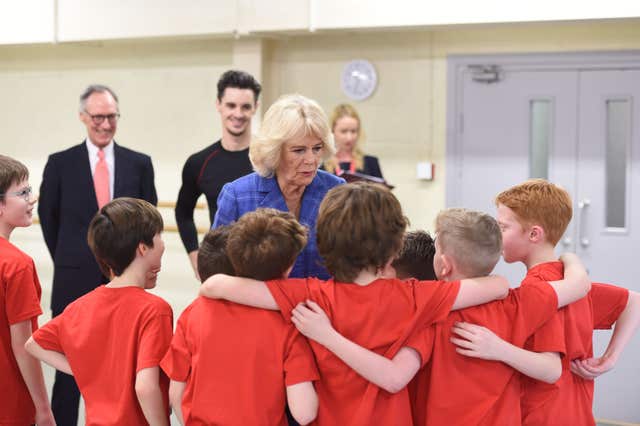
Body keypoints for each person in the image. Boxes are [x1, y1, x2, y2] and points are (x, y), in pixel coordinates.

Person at [200, 182, 510, 425]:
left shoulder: (309, 296)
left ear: (325, 242)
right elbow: (498, 285)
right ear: (393, 247)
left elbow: (214, 286)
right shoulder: (417, 297)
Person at [291, 207, 589, 426]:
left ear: (443, 265)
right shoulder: (518, 301)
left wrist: (326, 334)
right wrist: (569, 256)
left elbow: (393, 377)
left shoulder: (428, 313)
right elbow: (578, 285)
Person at [37, 84, 158, 425]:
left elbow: (149, 221)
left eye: (111, 117)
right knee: (69, 373)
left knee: (126, 368)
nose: (105, 124)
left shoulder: (139, 163)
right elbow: (50, 218)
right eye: (98, 117)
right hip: (73, 277)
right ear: (83, 117)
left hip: (126, 283)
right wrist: (72, 257)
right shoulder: (60, 163)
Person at [494, 179, 640, 426]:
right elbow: (633, 301)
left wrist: (495, 348)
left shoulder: (539, 287)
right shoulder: (569, 279)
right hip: (578, 414)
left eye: (503, 228)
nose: (496, 236)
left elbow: (550, 368)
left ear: (534, 234)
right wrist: (610, 358)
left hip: (543, 416)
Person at [161, 208, 319, 425]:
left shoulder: (195, 311)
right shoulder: (288, 325)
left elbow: (176, 391)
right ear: (288, 268)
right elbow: (305, 412)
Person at [26, 198, 173, 425]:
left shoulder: (79, 307)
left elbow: (33, 344)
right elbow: (145, 386)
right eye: (159, 237)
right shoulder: (155, 310)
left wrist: (88, 371)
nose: (163, 244)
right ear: (143, 248)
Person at [213, 94, 345, 280]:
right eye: (299, 150)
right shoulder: (237, 195)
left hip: (321, 307)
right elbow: (216, 271)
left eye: (317, 148)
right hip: (256, 307)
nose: (311, 160)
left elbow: (350, 267)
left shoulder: (336, 191)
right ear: (274, 150)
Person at [175, 70, 261, 278]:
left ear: (255, 108)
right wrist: (195, 256)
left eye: (245, 107)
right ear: (218, 105)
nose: (238, 114)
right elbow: (183, 213)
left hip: (265, 270)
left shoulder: (269, 159)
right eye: (231, 105)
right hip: (220, 271)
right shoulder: (199, 163)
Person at [0, 155, 55, 426]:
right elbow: (23, 346)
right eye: (23, 192)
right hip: (9, 404)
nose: (32, 199)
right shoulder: (16, 265)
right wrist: (43, 409)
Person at [322, 104, 383, 179]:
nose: (349, 138)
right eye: (344, 131)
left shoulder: (371, 163)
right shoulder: (322, 166)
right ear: (332, 131)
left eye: (353, 131)